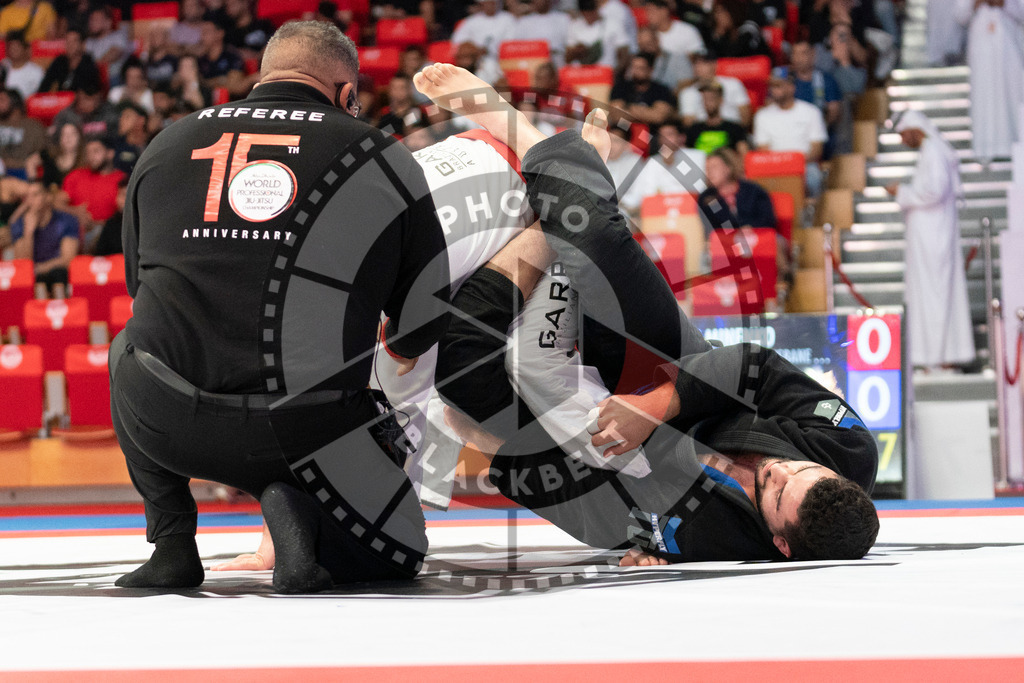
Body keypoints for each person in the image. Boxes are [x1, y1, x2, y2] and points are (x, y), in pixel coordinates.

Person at [222, 63, 879, 571]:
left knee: (464, 367)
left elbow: (619, 517)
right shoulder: (846, 449)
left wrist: (527, 460)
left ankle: (543, 212)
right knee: (593, 239)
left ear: (781, 543)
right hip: (670, 364)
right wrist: (653, 404)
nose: (778, 469)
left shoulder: (726, 540)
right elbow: (752, 367)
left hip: (602, 430)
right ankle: (519, 130)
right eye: (796, 469)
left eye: (774, 490)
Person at [112, 20, 451, 593]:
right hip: (307, 425)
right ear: (347, 93)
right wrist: (391, 340)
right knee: (397, 555)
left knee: (130, 344)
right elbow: (427, 315)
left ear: (264, 76)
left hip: (169, 418)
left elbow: (135, 286)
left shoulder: (169, 140)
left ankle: (171, 544)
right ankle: (299, 517)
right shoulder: (378, 153)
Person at [885, 112, 975, 370]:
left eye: (903, 135)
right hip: (929, 235)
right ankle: (934, 357)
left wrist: (900, 191)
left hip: (933, 238)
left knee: (934, 293)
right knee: (928, 294)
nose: (903, 141)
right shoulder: (931, 151)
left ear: (914, 129)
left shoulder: (933, 151)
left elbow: (935, 191)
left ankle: (938, 357)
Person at [955, 0, 1024, 162]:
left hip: (1009, 47)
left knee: (1011, 95)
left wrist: (1004, 4)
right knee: (983, 97)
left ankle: (1014, 147)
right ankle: (985, 148)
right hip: (981, 45)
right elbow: (959, 16)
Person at [753, 67, 827, 197]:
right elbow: (763, 149)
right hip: (773, 168)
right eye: (772, 86)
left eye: (779, 85)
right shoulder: (762, 115)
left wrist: (794, 165)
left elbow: (816, 149)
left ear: (791, 87)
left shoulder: (811, 111)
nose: (774, 90)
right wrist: (784, 166)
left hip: (805, 166)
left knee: (814, 178)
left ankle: (813, 214)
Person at [9, 180, 79, 292]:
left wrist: (39, 268)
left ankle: (61, 308)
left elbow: (68, 259)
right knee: (29, 280)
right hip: (33, 278)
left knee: (59, 274)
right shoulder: (19, 224)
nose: (30, 200)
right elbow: (23, 264)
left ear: (48, 197)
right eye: (27, 196)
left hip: (58, 274)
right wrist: (28, 233)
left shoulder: (66, 220)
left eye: (36, 194)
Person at [61, 135, 124, 241]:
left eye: (96, 151)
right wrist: (74, 212)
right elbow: (55, 202)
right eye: (88, 152)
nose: (91, 156)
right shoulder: (76, 176)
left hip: (107, 233)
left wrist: (97, 224)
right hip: (75, 232)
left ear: (110, 153)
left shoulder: (122, 180)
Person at [678, 51, 750, 129]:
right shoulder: (687, 93)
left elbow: (746, 116)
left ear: (714, 65)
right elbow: (688, 123)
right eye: (695, 64)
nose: (698, 68)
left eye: (703, 63)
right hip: (703, 132)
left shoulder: (733, 84)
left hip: (732, 130)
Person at [609, 53, 676, 128]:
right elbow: (616, 115)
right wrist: (648, 112)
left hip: (653, 133)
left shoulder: (661, 90)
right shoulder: (620, 87)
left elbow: (659, 117)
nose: (636, 71)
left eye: (641, 68)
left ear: (650, 70)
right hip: (626, 132)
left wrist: (630, 109)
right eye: (634, 68)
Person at [684, 81, 749, 156]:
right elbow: (687, 155)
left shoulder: (735, 129)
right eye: (705, 99)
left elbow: (744, 156)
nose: (707, 103)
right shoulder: (693, 129)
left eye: (711, 99)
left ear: (720, 100)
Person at [0, 88, 47, 179]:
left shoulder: (33, 126)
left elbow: (43, 154)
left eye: (2, 100)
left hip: (25, 173)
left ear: (14, 102)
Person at [38, 27, 102, 94]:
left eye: (74, 41)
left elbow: (91, 90)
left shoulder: (89, 64)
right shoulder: (59, 61)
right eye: (67, 41)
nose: (70, 45)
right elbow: (45, 86)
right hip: (60, 100)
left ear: (82, 44)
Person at [1, 32, 44, 101]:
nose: (14, 49)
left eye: (17, 46)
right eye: (11, 46)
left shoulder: (36, 72)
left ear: (25, 49)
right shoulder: (2, 67)